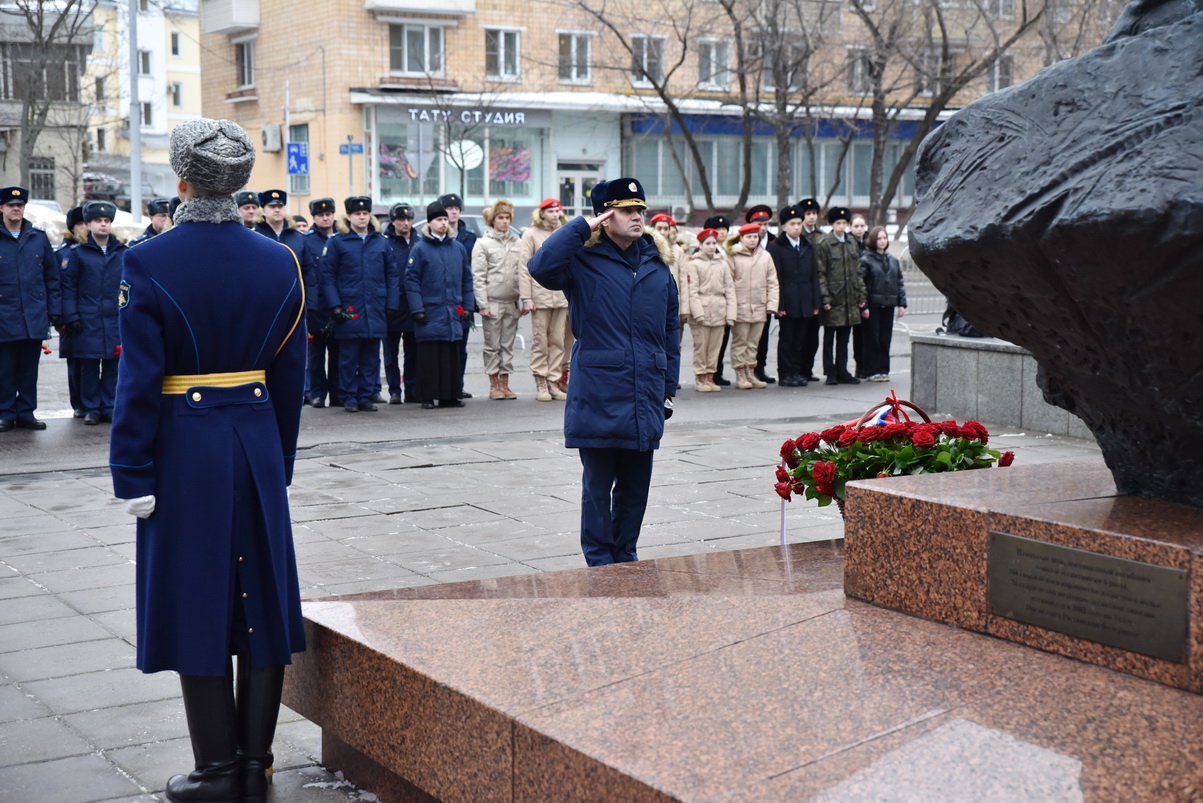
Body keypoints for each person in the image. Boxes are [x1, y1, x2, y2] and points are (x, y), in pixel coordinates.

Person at [108, 118, 307, 803]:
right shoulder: (280, 261)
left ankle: (216, 769)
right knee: (263, 601)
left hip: (184, 447)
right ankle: (256, 763)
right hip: (256, 438)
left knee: (197, 598)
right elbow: (289, 375)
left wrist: (131, 471)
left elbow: (138, 379)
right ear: (240, 183)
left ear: (182, 180)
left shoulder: (149, 260)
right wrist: (279, 458)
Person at [529, 178, 679, 566]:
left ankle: (626, 556)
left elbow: (670, 329)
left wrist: (667, 387)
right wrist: (582, 227)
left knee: (635, 488)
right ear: (605, 216)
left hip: (645, 390)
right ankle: (598, 561)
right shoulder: (581, 259)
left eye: (640, 210)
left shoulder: (657, 264)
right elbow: (540, 268)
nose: (637, 217)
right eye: (627, 210)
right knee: (597, 487)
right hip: (599, 390)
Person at [318, 196, 400, 412]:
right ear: (349, 216)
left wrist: (391, 304)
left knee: (371, 357)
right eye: (357, 214)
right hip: (350, 308)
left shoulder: (381, 242)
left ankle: (365, 395)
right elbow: (327, 275)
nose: (362, 217)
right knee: (348, 357)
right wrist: (335, 305)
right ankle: (349, 397)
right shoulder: (337, 242)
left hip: (375, 307)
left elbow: (392, 275)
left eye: (365, 213)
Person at [60, 201, 127, 425]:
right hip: (87, 318)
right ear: (88, 224)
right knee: (88, 366)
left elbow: (129, 286)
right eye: (98, 221)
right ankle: (91, 408)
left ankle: (109, 405)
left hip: (114, 318)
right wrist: (71, 316)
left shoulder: (122, 252)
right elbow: (68, 287)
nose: (103, 225)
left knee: (112, 365)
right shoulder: (78, 253)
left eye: (106, 221)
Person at [0, 185, 60, 432]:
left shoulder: (38, 238)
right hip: (4, 316)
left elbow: (52, 277)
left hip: (33, 315)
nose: (16, 209)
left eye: (20, 205)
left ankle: (26, 412)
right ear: (1, 208)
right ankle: (5, 413)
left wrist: (54, 310)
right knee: (4, 369)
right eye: (11, 205)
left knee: (29, 369)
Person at [405, 201, 474, 409]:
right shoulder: (420, 248)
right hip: (430, 310)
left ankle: (450, 395)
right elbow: (411, 281)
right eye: (438, 220)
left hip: (453, 310)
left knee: (451, 355)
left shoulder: (457, 248)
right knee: (430, 356)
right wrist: (417, 309)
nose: (443, 223)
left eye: (445, 219)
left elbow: (466, 279)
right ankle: (427, 396)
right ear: (429, 223)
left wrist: (468, 306)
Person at [518, 198, 571, 402]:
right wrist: (526, 297)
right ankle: (540, 380)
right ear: (541, 213)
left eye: (557, 211)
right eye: (550, 211)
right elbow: (524, 267)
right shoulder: (531, 234)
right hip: (539, 296)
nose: (555, 215)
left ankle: (554, 381)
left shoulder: (564, 232)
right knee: (540, 341)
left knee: (559, 341)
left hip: (561, 296)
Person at [766, 204, 822, 387]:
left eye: (799, 223)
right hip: (788, 300)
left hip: (805, 299)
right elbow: (777, 278)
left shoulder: (807, 246)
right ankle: (785, 374)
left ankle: (796, 372)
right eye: (792, 224)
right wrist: (779, 305)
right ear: (784, 226)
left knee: (800, 340)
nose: (796, 227)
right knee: (787, 340)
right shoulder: (776, 247)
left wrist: (815, 302)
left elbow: (814, 276)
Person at [473, 200, 522, 400]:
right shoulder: (483, 244)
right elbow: (478, 276)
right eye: (500, 217)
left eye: (507, 218)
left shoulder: (518, 243)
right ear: (492, 220)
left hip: (511, 302)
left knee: (507, 345)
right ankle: (494, 384)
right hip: (492, 301)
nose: (504, 221)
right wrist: (482, 304)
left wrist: (524, 299)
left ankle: (505, 382)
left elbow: (523, 272)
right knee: (492, 345)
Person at [724, 222, 779, 390]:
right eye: (749, 237)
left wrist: (772, 304)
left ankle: (751, 372)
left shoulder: (765, 256)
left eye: (755, 236)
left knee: (753, 343)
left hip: (760, 306)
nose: (753, 240)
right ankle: (740, 373)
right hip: (740, 307)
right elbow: (728, 283)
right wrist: (730, 307)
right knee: (740, 342)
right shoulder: (733, 255)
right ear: (741, 238)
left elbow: (773, 282)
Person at [816, 206, 867, 385]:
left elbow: (857, 271)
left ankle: (842, 370)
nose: (841, 226)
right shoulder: (825, 244)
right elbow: (821, 273)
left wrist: (861, 295)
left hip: (849, 298)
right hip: (833, 298)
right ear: (832, 224)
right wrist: (825, 297)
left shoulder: (851, 242)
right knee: (829, 338)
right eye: (838, 223)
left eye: (844, 223)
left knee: (844, 338)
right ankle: (830, 372)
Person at [683, 228, 735, 392]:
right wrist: (698, 313)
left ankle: (710, 376)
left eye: (713, 243)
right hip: (702, 311)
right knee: (701, 347)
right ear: (700, 245)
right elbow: (692, 291)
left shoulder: (723, 264)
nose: (711, 246)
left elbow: (730, 290)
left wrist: (730, 314)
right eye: (708, 243)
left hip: (719, 311)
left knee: (714, 348)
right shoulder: (693, 264)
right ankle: (700, 377)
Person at [301, 198, 340, 407]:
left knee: (338, 354)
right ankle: (317, 393)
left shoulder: (342, 238)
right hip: (317, 307)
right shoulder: (306, 241)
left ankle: (337, 393)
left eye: (328, 214)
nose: (325, 218)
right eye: (320, 215)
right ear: (314, 218)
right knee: (316, 355)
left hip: (338, 306)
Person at [438, 192, 476, 399]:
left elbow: (473, 271)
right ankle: (443, 387)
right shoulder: (438, 236)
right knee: (442, 347)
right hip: (443, 299)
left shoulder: (469, 237)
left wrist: (472, 303)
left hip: (463, 298)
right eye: (449, 209)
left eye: (456, 209)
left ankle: (458, 386)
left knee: (461, 347)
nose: (453, 212)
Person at [860, 225, 907, 381]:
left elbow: (899, 282)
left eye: (884, 238)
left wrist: (902, 303)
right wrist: (863, 305)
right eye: (879, 238)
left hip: (888, 305)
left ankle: (883, 370)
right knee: (872, 339)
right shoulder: (866, 259)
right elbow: (861, 284)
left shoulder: (892, 260)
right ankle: (871, 370)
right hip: (873, 305)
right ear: (873, 240)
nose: (882, 241)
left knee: (885, 339)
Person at [383, 202, 418, 404]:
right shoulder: (385, 242)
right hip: (391, 308)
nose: (405, 223)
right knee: (391, 354)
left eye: (408, 219)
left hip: (412, 306)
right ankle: (394, 390)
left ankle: (411, 389)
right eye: (401, 219)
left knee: (412, 353)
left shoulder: (418, 241)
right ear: (393, 221)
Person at [57, 205, 88, 419]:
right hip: (70, 317)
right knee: (75, 363)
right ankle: (79, 403)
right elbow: (57, 288)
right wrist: (61, 318)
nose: (83, 227)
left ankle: (97, 403)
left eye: (86, 223)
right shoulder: (62, 254)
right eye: (79, 223)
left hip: (92, 314)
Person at [746, 205, 777, 385]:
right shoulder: (744, 242)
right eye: (759, 224)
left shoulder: (774, 242)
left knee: (763, 337)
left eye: (765, 224)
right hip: (747, 300)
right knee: (745, 339)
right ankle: (746, 370)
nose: (763, 228)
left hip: (765, 299)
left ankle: (760, 369)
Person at [701, 214, 734, 386]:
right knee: (707, 343)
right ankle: (708, 375)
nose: (722, 232)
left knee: (722, 340)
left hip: (725, 302)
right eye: (718, 229)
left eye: (724, 229)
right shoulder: (703, 253)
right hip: (709, 304)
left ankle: (717, 371)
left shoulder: (730, 251)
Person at [252, 190, 306, 258]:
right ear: (263, 212)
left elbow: (308, 263)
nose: (277, 210)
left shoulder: (298, 237)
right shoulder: (255, 236)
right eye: (272, 206)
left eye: (280, 206)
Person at [849, 213, 870, 378]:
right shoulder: (849, 243)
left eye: (862, 226)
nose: (859, 229)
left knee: (866, 334)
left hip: (868, 293)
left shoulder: (869, 242)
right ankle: (859, 366)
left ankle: (867, 365)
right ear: (850, 227)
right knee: (857, 335)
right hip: (853, 294)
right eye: (856, 226)